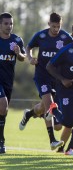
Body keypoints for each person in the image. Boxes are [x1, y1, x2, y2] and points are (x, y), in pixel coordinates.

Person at [19, 12, 73, 150]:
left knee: (53, 119)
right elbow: (29, 47)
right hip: (42, 76)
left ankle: (29, 114)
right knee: (50, 106)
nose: (56, 29)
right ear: (49, 24)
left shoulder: (65, 37)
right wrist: (30, 58)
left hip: (57, 78)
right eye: (54, 26)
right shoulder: (41, 35)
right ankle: (52, 141)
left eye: (58, 26)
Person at [45, 21, 73, 156]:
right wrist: (63, 79)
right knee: (68, 122)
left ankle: (70, 149)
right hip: (66, 90)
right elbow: (49, 66)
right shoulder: (66, 50)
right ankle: (53, 109)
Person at [0, 12, 26, 153]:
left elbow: (23, 58)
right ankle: (1, 142)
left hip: (8, 81)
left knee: (3, 110)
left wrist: (18, 53)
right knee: (2, 105)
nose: (9, 26)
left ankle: (1, 140)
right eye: (6, 23)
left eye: (11, 23)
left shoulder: (17, 40)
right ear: (0, 24)